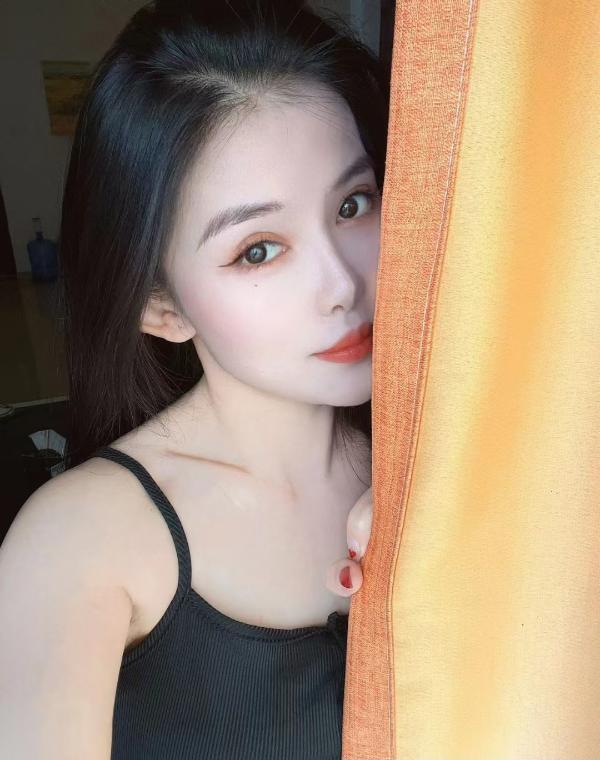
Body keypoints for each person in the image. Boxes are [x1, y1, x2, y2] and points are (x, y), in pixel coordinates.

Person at [0, 0, 387, 757]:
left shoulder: (444, 461)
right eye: (257, 250)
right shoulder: (76, 545)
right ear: (161, 305)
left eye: (353, 204)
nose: (342, 285)